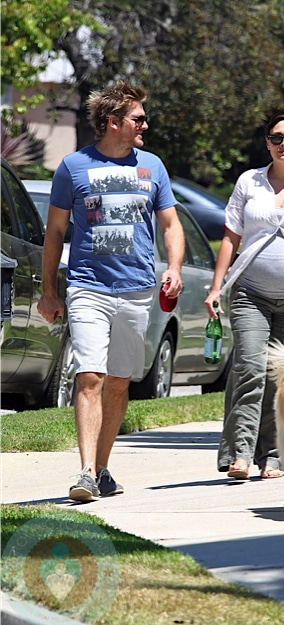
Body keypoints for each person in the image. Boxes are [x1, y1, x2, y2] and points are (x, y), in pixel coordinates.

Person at [38, 81, 185, 502]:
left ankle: (102, 468)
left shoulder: (153, 167)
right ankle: (84, 472)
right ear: (112, 122)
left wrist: (173, 267)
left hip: (137, 290)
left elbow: (171, 224)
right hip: (88, 288)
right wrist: (51, 291)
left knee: (119, 382)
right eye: (138, 118)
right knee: (90, 376)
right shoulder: (73, 167)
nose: (145, 124)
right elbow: (55, 233)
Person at [204, 111, 284, 480]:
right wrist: (216, 288)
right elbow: (231, 236)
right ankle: (239, 455)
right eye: (277, 138)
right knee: (248, 367)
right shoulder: (250, 182)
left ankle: (275, 456)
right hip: (250, 293)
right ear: (267, 142)